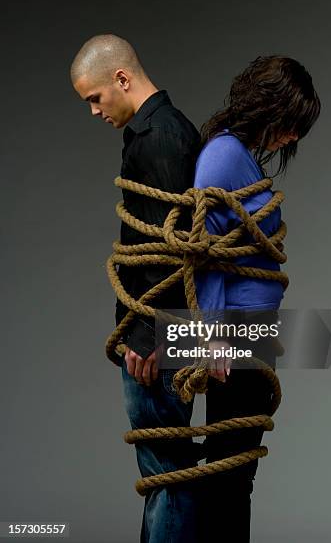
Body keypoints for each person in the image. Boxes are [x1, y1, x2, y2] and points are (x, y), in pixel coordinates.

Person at [70, 33, 202, 542]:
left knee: (167, 476)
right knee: (162, 475)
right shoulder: (155, 132)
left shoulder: (160, 137)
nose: (94, 111)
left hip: (159, 337)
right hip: (156, 330)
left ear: (121, 79)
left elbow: (175, 250)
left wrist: (148, 338)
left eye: (95, 98)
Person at [193, 55, 321, 542]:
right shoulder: (223, 155)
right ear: (270, 108)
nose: (292, 139)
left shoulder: (236, 154)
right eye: (292, 126)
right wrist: (208, 336)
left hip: (250, 333)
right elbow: (201, 251)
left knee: (235, 474)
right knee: (230, 475)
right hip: (230, 335)